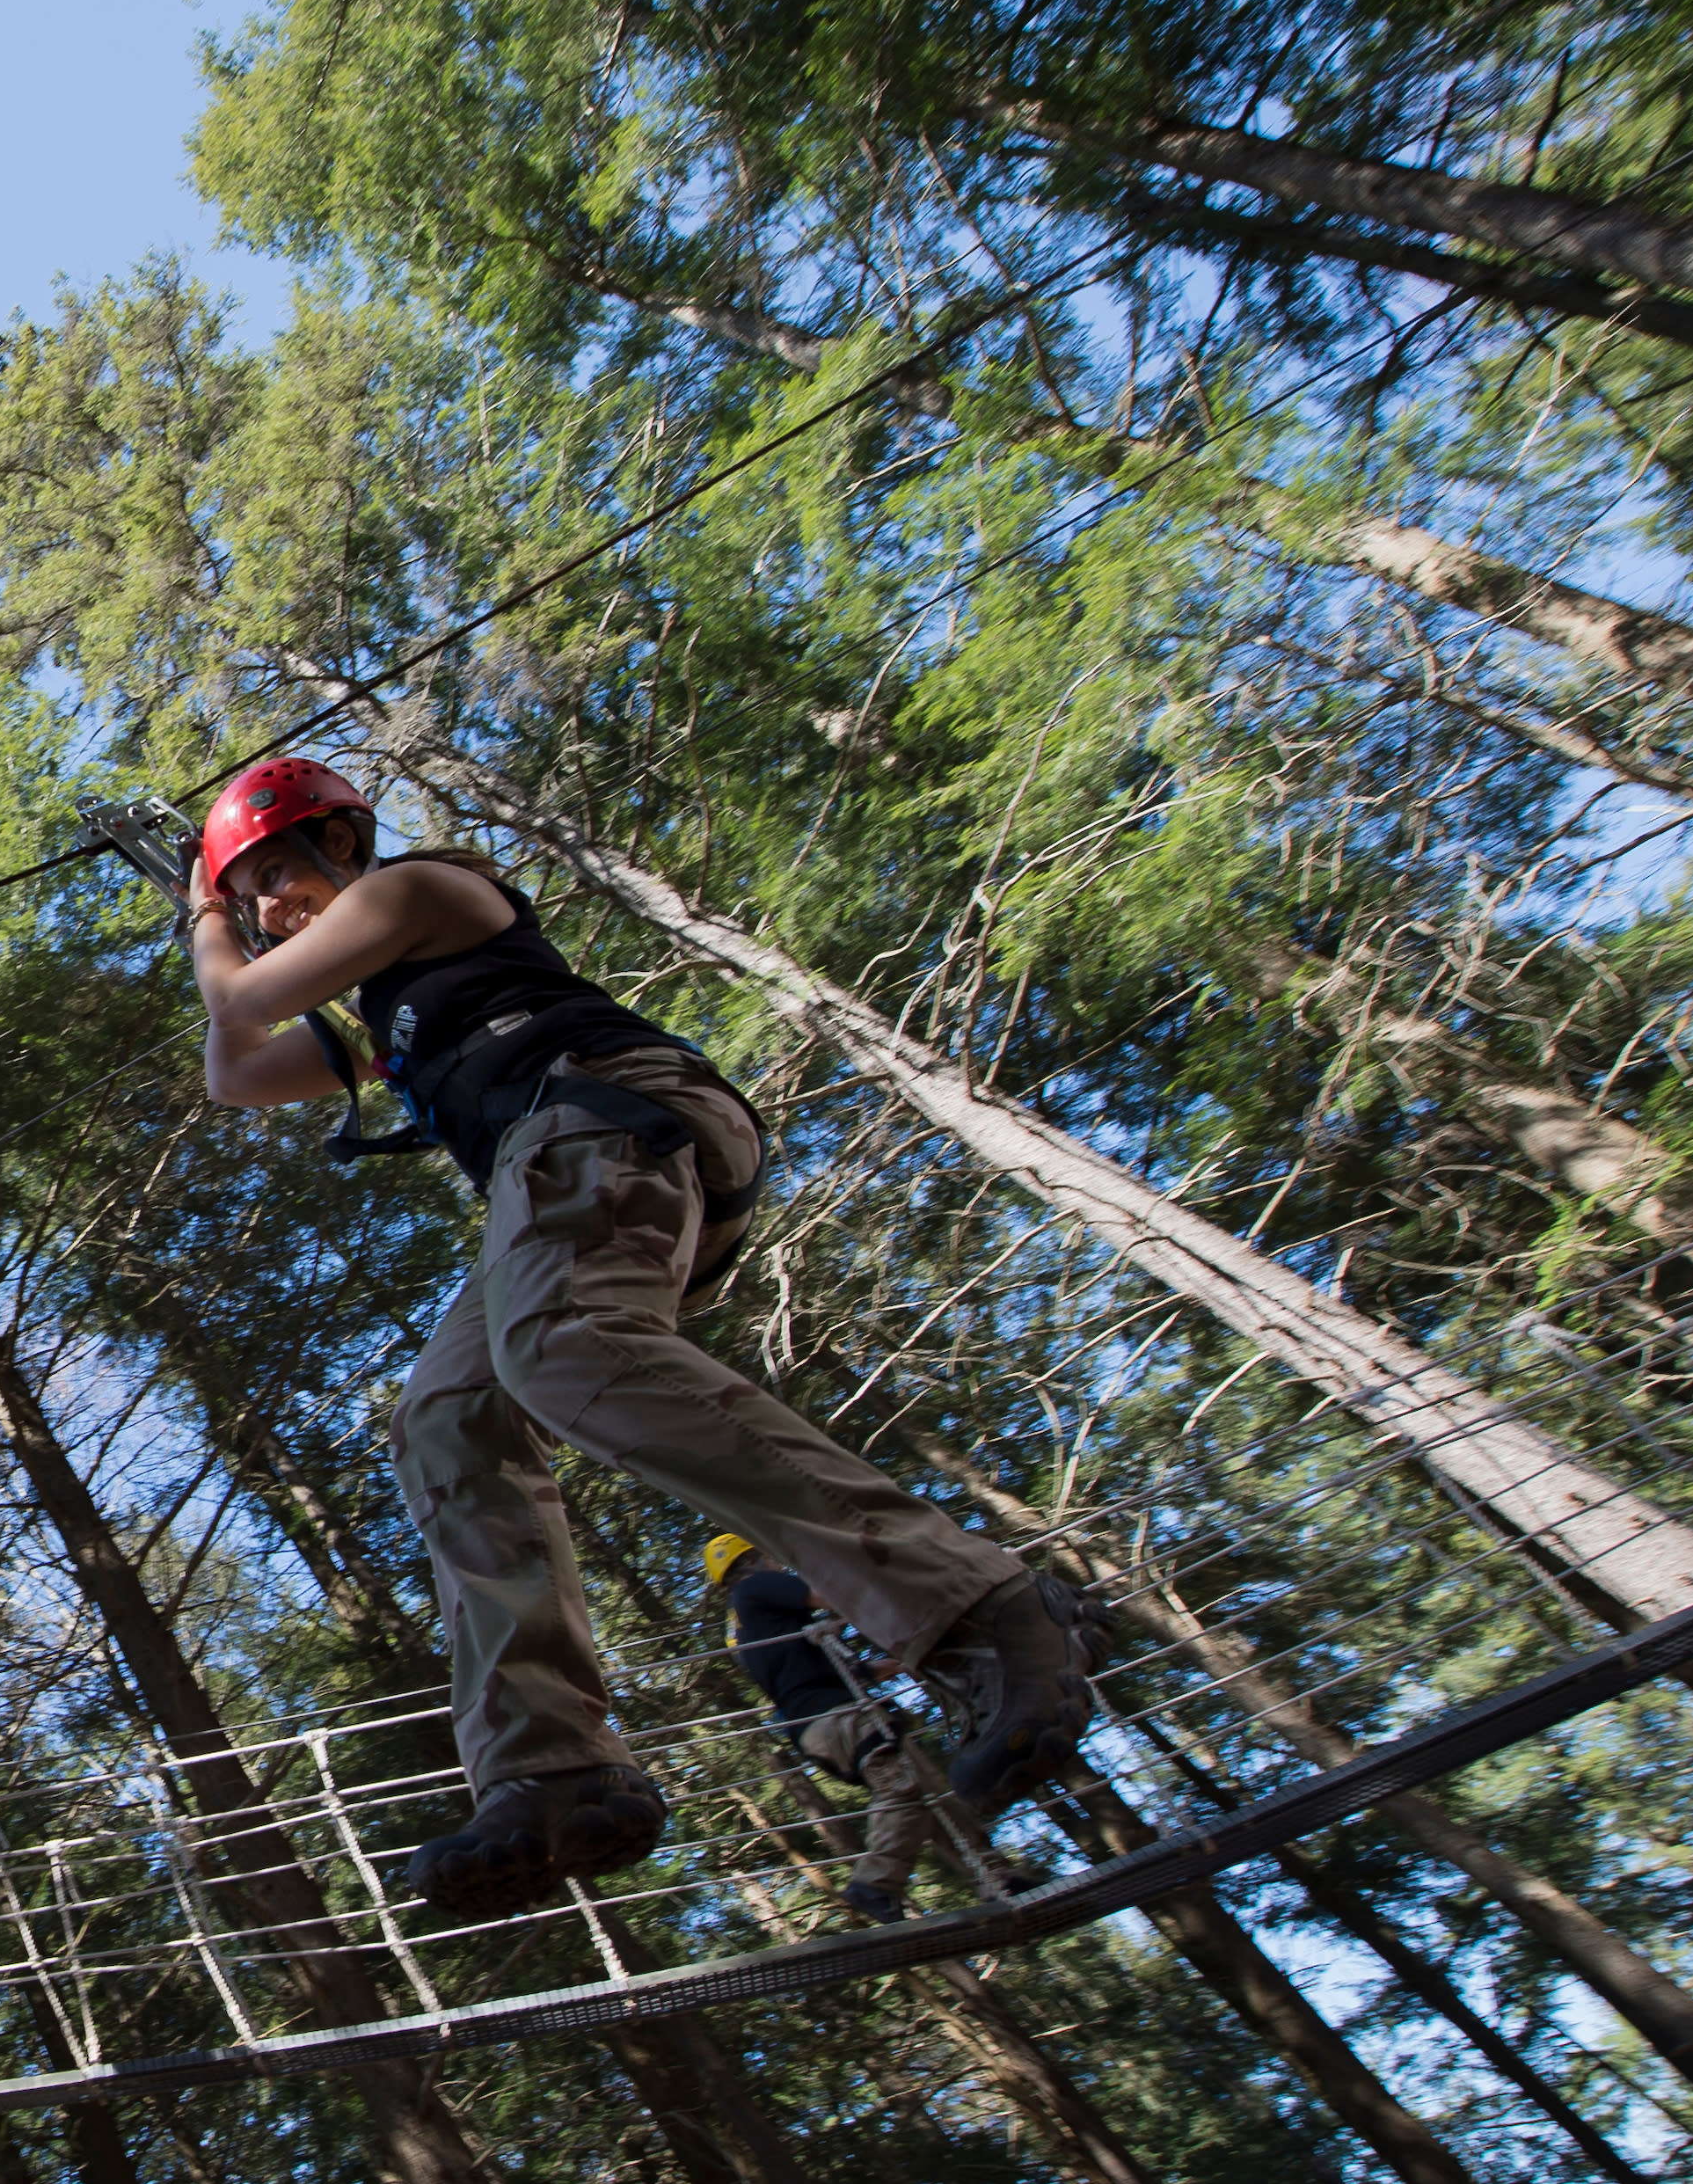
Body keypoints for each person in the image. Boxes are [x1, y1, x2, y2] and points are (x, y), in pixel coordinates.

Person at [180, 755, 1100, 1911]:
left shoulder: (424, 889)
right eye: (248, 891)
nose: (269, 907)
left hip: (604, 1113)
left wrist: (208, 918)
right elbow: (235, 1071)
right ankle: (551, 1768)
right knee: (448, 1418)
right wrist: (210, 919)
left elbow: (243, 1001)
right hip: (565, 1166)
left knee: (560, 1342)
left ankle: (978, 1609)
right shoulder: (381, 1018)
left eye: (278, 872)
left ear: (344, 843)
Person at [709, 1531, 949, 1925]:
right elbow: (830, 1595)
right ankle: (875, 1885)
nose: (779, 1563)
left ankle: (996, 1872)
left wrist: (909, 1661)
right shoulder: (755, 1586)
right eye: (770, 1555)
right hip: (835, 1715)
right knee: (902, 1789)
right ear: (749, 1559)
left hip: (819, 1724)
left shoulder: (754, 1627)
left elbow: (855, 1670)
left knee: (929, 1796)